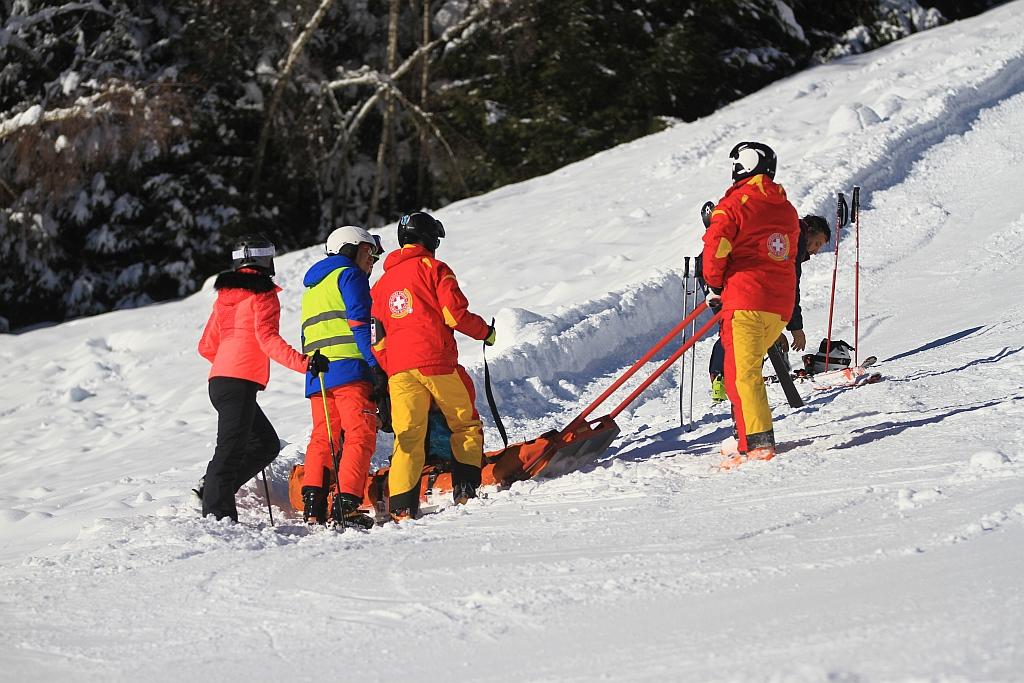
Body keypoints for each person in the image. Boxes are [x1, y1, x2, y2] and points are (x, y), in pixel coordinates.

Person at [370, 212, 495, 520]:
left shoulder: (381, 284)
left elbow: (376, 338)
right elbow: (454, 315)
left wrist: (394, 365)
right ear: (430, 239)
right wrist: (486, 333)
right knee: (464, 424)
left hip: (399, 371)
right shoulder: (435, 268)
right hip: (436, 363)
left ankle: (401, 508)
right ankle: (466, 492)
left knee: (408, 438)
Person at [197, 235, 312, 522]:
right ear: (265, 260)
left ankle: (214, 489)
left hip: (221, 382)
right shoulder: (263, 294)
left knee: (264, 444)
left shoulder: (225, 296)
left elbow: (206, 346)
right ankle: (217, 514)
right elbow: (268, 339)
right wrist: (305, 364)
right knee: (231, 449)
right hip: (237, 382)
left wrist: (230, 363)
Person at [701, 141, 801, 467]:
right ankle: (746, 438)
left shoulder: (734, 204)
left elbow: (716, 245)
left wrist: (714, 283)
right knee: (737, 372)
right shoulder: (785, 208)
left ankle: (758, 444)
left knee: (743, 376)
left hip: (745, 300)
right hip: (779, 306)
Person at [299, 225, 388, 527]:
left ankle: (313, 506)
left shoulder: (313, 287)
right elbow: (359, 324)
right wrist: (375, 366)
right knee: (360, 434)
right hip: (350, 370)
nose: (372, 261)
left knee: (323, 438)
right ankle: (346, 506)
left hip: (319, 376)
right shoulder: (349, 275)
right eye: (367, 252)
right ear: (350, 250)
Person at [699, 213, 831, 398]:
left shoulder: (786, 232)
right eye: (817, 243)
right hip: (720, 270)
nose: (816, 251)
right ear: (810, 231)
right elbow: (790, 287)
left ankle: (737, 380)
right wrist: (795, 328)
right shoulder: (794, 238)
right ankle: (722, 379)